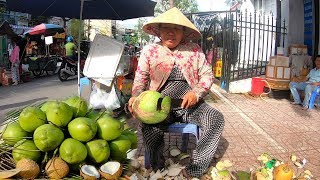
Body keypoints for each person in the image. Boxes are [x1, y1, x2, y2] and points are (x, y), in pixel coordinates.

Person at [127, 7, 224, 178]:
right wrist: (135, 98)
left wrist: (197, 92)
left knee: (215, 119)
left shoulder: (193, 50)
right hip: (159, 107)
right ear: (159, 31)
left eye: (177, 28)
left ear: (183, 32)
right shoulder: (150, 51)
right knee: (149, 127)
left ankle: (196, 167)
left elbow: (207, 75)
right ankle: (158, 166)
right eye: (166, 28)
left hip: (192, 105)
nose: (171, 33)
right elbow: (140, 78)